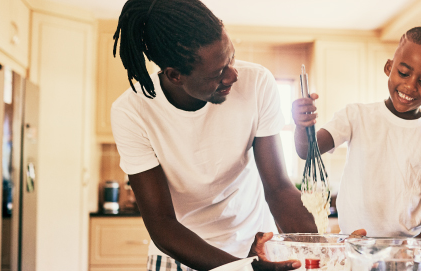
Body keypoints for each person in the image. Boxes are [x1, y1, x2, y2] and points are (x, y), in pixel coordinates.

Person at [110, 0, 318, 270]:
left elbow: (278, 187)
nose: (233, 75)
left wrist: (318, 249)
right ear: (175, 76)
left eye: (230, 57)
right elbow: (162, 225)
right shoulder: (132, 111)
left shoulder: (257, 83)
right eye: (218, 73)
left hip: (254, 248)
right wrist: (243, 269)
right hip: (179, 254)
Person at [292, 26, 421, 239]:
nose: (410, 86)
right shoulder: (355, 115)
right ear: (389, 67)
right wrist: (302, 124)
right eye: (403, 73)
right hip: (354, 243)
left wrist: (419, 245)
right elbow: (307, 150)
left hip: (405, 250)